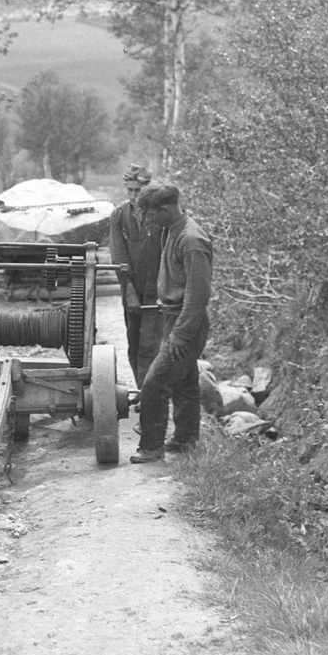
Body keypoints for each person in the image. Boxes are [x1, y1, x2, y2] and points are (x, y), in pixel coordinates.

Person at [129, 183, 213, 463]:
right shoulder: (173, 230)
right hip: (174, 318)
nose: (150, 220)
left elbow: (198, 294)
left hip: (186, 321)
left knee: (155, 385)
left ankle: (152, 447)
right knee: (184, 381)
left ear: (165, 210)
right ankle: (186, 439)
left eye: (152, 215)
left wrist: (181, 334)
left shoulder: (191, 240)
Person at [109, 163, 163, 390]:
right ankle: (143, 390)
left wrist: (163, 290)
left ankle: (150, 397)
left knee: (149, 345)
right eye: (129, 190)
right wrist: (128, 289)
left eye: (138, 191)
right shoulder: (119, 215)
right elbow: (119, 254)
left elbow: (167, 253)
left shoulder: (160, 215)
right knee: (134, 342)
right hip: (131, 287)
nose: (133, 196)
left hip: (158, 288)